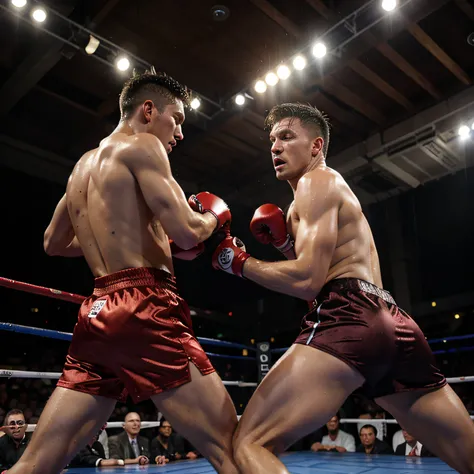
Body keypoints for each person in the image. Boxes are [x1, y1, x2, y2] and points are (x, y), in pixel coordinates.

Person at [212, 103, 474, 474]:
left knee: (249, 442)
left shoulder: (315, 181)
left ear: (316, 146)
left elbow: (308, 279)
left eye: (287, 137)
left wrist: (236, 262)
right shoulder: (313, 196)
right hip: (395, 324)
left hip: (349, 316)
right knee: (469, 454)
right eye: (272, 140)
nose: (275, 147)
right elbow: (314, 283)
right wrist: (285, 247)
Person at [6, 70, 238, 474]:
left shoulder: (81, 168)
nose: (179, 134)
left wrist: (143, 237)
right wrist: (215, 218)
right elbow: (186, 231)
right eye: (178, 119)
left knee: (37, 464)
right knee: (232, 446)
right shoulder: (144, 146)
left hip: (97, 312)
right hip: (145, 306)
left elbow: (53, 243)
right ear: (148, 110)